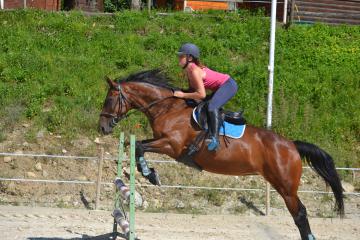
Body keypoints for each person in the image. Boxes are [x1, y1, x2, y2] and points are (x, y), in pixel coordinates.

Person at [173, 43, 238, 151]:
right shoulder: (189, 70)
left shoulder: (194, 71)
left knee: (212, 107)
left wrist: (183, 94)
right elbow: (193, 92)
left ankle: (215, 139)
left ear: (190, 58)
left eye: (181, 56)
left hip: (228, 85)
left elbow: (201, 94)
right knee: (204, 105)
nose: (179, 58)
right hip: (221, 87)